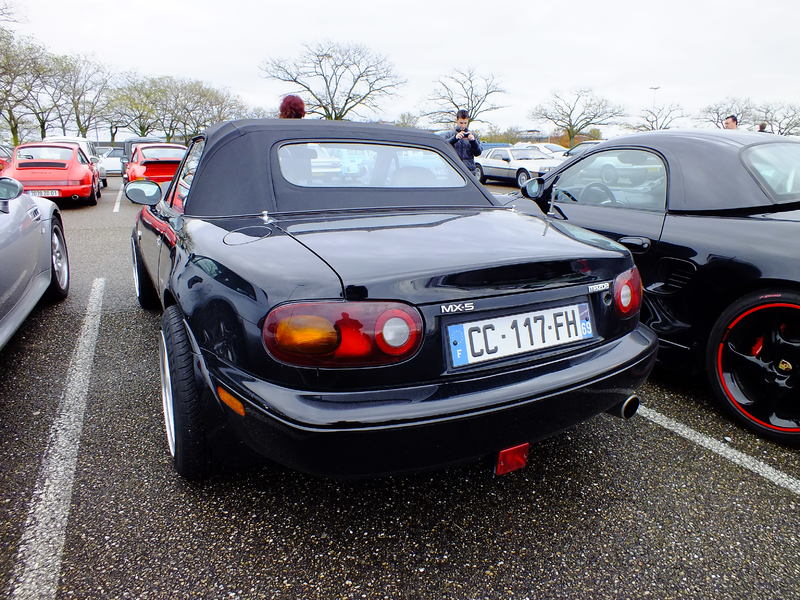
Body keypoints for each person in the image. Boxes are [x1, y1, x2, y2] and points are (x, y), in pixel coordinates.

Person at [442, 109, 482, 175]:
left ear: (468, 121)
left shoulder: (474, 135)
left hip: (469, 172)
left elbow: (478, 153)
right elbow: (443, 147)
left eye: (465, 123)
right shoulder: (449, 134)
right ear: (457, 120)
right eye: (461, 123)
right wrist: (454, 139)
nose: (463, 126)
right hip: (453, 170)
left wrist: (473, 141)